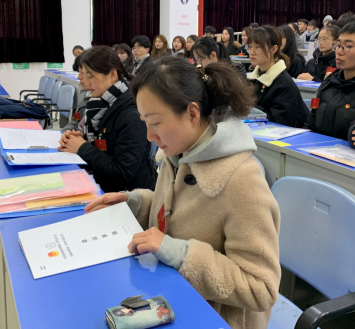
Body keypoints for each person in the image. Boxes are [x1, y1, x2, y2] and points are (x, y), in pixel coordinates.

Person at [85, 57, 281, 329]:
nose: (149, 137)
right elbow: (181, 211)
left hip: (218, 318)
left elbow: (261, 289)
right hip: (175, 292)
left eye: (155, 122)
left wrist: (178, 252)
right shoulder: (179, 152)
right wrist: (136, 203)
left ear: (191, 113)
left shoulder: (242, 180)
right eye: (144, 122)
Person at [58, 46, 157, 193]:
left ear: (112, 74)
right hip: (103, 184)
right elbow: (104, 144)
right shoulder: (99, 104)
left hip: (130, 195)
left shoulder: (132, 114)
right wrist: (78, 139)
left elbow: (123, 172)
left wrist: (82, 147)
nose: (84, 80)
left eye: (89, 75)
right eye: (83, 74)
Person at [247, 26, 309, 127]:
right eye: (250, 47)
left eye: (258, 47)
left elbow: (280, 121)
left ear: (274, 49)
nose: (252, 52)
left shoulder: (284, 84)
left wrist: (251, 110)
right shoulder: (253, 79)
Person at [63, 52, 91, 133]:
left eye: (83, 73)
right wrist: (63, 133)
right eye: (79, 72)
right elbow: (76, 120)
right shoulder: (84, 94)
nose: (79, 77)